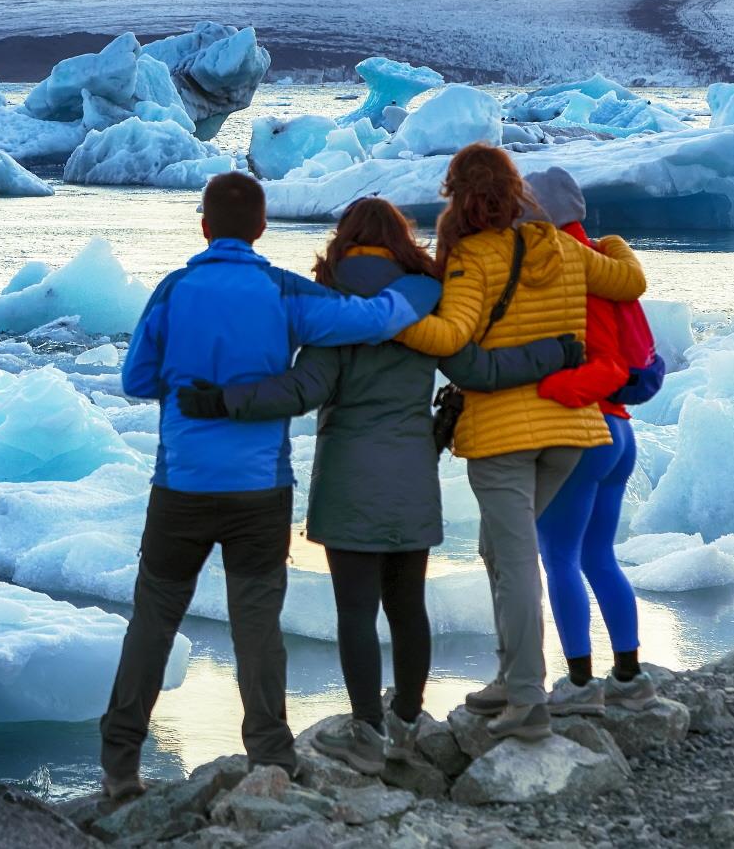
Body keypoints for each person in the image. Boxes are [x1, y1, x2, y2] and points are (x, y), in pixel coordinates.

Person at [190, 197, 582, 774]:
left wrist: (224, 399)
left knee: (355, 610)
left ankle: (365, 735)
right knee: (407, 606)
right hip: (412, 475)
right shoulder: (426, 305)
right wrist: (557, 351)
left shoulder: (333, 309)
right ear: (401, 241)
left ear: (344, 242)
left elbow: (303, 390)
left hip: (350, 478)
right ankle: (405, 722)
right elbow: (481, 370)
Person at [99, 172, 439, 799]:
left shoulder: (174, 290)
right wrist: (425, 286)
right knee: (257, 626)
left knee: (153, 620)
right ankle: (271, 755)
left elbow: (137, 380)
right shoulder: (283, 291)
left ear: (204, 226)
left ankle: (121, 766)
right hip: (259, 490)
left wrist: (188, 381)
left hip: (182, 486)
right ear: (261, 229)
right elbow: (370, 320)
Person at [394, 145, 646, 742]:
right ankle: (511, 677)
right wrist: (607, 241)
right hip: (570, 432)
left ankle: (528, 701)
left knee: (514, 562)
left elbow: (452, 334)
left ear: (459, 195)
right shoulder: (562, 247)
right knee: (496, 550)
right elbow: (629, 280)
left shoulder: (472, 257)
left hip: (504, 435)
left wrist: (389, 318)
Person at [523, 167, 659, 713]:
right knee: (600, 556)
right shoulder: (608, 263)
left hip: (585, 429)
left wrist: (545, 385)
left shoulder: (565, 271)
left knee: (559, 557)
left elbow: (601, 363)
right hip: (621, 431)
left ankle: (579, 686)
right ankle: (629, 675)